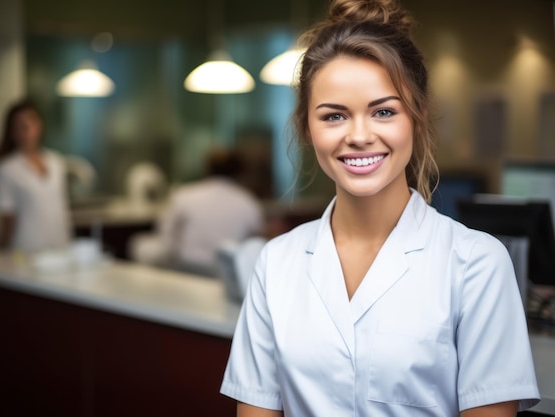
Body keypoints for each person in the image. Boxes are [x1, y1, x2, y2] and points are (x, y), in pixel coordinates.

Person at [220, 0, 540, 416]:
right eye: (334, 116)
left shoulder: (476, 264)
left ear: (417, 117)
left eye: (384, 112)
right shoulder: (276, 263)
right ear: (306, 128)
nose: (359, 135)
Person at [129, 148, 265, 277]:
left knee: (140, 244)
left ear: (207, 168)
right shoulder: (249, 203)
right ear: (240, 171)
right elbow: (253, 245)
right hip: (223, 273)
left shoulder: (184, 195)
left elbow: (167, 240)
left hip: (185, 270)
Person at [0, 99, 71, 252]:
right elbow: (7, 217)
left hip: (60, 247)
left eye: (32, 120)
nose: (27, 127)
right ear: (12, 131)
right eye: (20, 124)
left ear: (40, 124)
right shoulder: (7, 169)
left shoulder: (56, 162)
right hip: (27, 249)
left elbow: (62, 210)